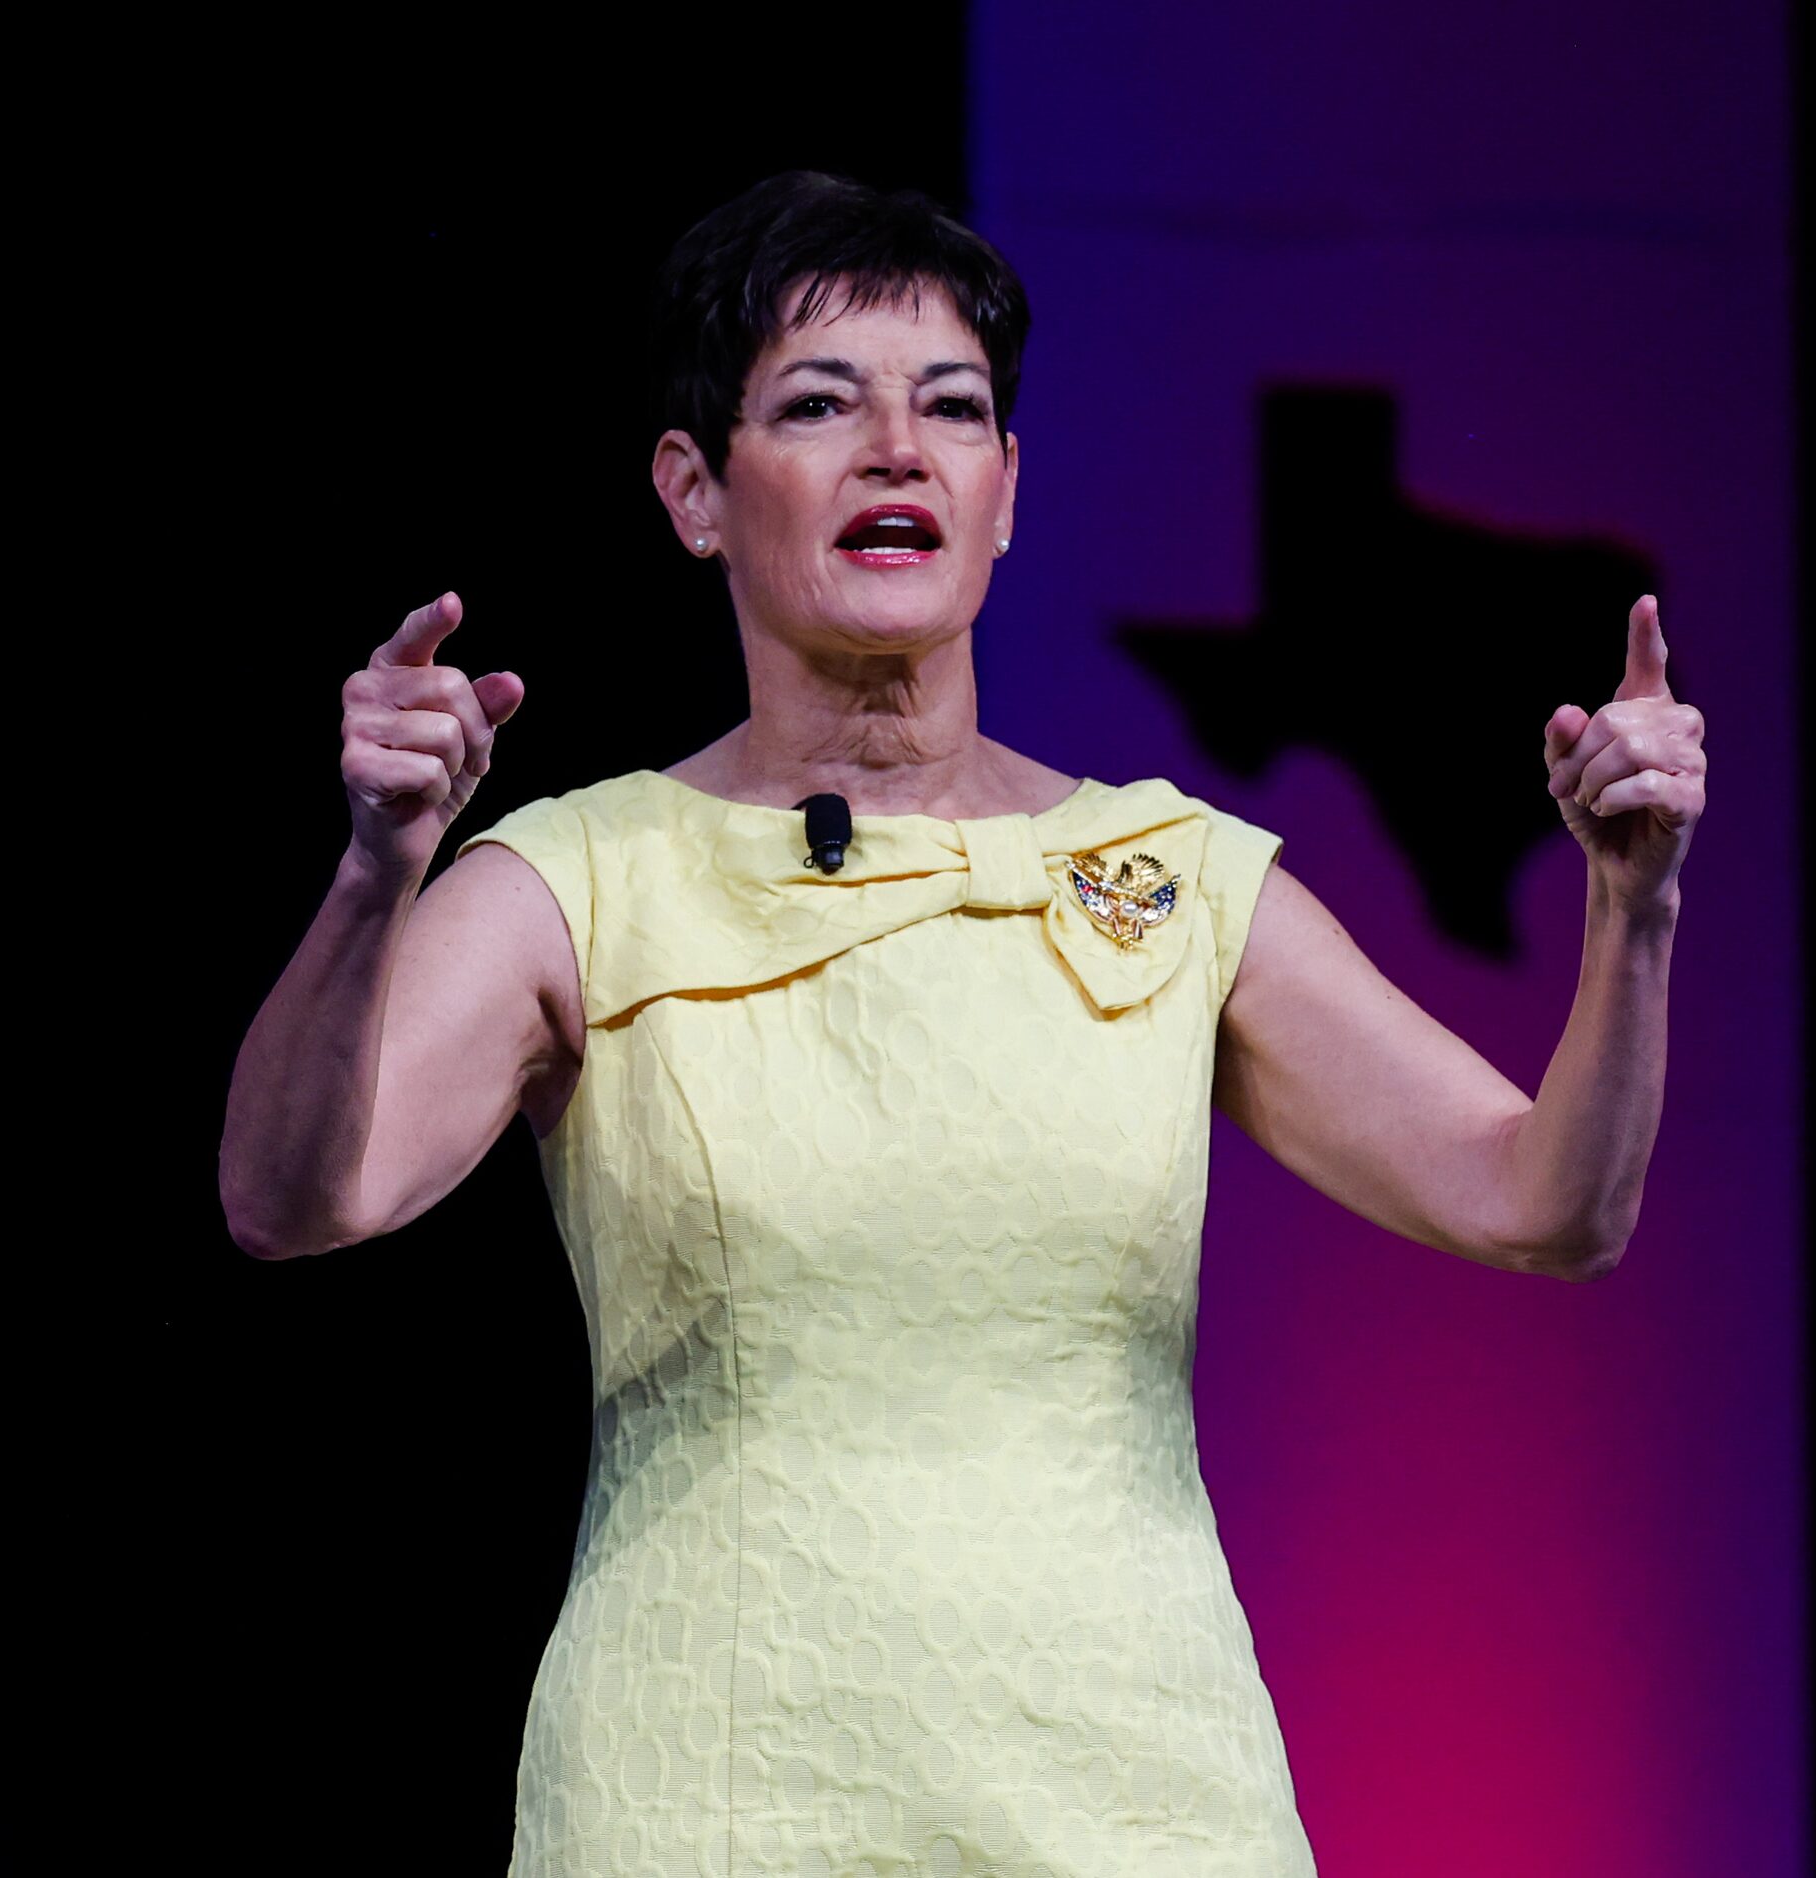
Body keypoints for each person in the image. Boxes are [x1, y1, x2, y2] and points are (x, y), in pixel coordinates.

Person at [217, 171, 1705, 1876]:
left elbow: (1545, 1201)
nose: (895, 451)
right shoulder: (586, 875)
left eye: (952, 411)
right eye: (815, 405)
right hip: (707, 1791)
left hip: (1138, 1799)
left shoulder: (1175, 877)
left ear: (1006, 496)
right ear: (694, 492)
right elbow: (292, 1195)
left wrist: (1630, 904)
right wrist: (375, 870)